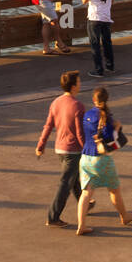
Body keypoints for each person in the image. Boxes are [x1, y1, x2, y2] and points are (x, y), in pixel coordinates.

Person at [35, 70, 95, 228]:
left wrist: (40, 145)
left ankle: (85, 203)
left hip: (60, 149)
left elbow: (48, 126)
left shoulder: (56, 102)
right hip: (73, 150)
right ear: (74, 86)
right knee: (65, 183)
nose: (80, 84)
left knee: (73, 178)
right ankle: (53, 217)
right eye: (79, 82)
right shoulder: (78, 106)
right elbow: (80, 133)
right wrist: (88, 150)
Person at [76, 86, 132, 235]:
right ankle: (125, 216)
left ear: (93, 100)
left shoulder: (87, 115)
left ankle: (81, 225)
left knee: (86, 193)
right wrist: (117, 127)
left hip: (85, 158)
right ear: (107, 99)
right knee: (114, 190)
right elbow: (111, 140)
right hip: (101, 160)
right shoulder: (106, 118)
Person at [82, 0, 117, 76]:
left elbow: (84, 1)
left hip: (94, 17)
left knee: (95, 44)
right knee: (107, 42)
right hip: (106, 16)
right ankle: (110, 66)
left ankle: (98, 69)